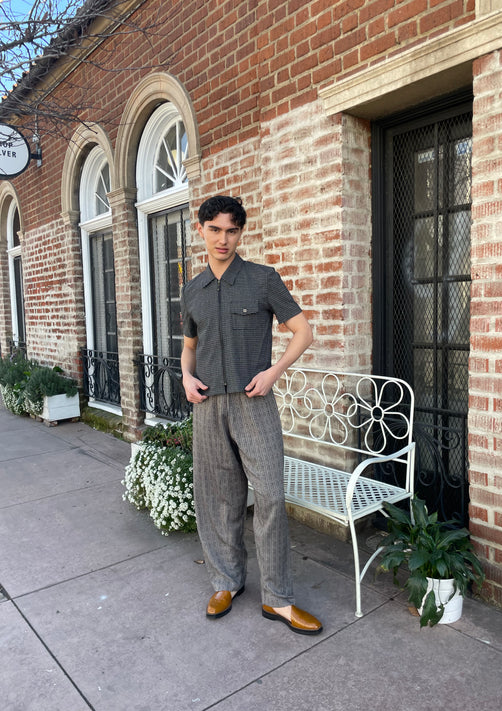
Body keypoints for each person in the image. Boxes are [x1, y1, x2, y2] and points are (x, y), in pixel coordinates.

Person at [180, 195, 322, 635]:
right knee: (218, 498)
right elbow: (189, 347)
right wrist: (185, 377)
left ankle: (277, 598)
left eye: (232, 230)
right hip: (208, 407)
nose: (224, 238)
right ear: (200, 229)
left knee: (271, 496)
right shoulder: (192, 290)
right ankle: (226, 580)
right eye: (216, 229)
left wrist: (274, 372)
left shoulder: (262, 280)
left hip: (252, 402)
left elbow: (303, 331)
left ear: (241, 233)